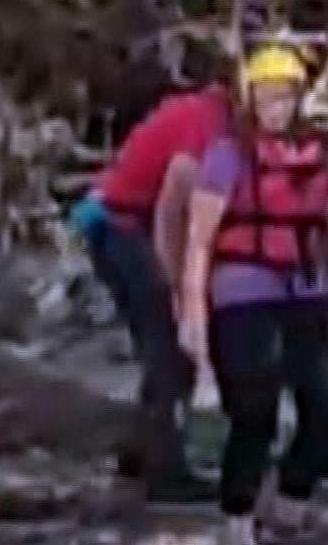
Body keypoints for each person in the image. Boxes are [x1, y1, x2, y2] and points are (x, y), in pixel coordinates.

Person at [176, 45, 328, 545]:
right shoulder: (227, 154)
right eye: (266, 96)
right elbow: (199, 238)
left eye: (285, 97)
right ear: (248, 97)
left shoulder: (313, 154)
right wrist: (193, 313)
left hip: (304, 291)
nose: (276, 106)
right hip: (242, 294)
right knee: (253, 411)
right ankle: (237, 525)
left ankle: (288, 509)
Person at [70, 47, 235, 502]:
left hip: (109, 216)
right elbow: (171, 210)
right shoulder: (211, 125)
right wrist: (182, 288)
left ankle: (141, 451)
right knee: (170, 348)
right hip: (123, 225)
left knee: (157, 344)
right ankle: (165, 472)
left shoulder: (200, 110)